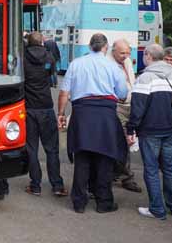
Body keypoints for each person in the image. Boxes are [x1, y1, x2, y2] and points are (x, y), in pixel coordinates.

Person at [57, 33, 128, 214]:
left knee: (82, 159)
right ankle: (104, 202)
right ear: (105, 48)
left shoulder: (75, 64)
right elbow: (122, 94)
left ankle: (79, 203)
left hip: (82, 113)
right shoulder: (113, 67)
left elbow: (64, 92)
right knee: (105, 159)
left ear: (89, 46)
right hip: (105, 115)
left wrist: (61, 114)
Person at [126, 44, 172, 219]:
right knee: (169, 168)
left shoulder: (145, 78)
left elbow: (137, 108)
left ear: (147, 56)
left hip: (150, 130)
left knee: (151, 169)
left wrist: (131, 129)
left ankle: (157, 209)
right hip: (169, 128)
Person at [24, 31, 67, 197]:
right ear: (42, 42)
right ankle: (57, 185)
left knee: (32, 149)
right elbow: (50, 75)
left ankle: (35, 185)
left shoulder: (23, 58)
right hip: (46, 106)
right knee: (52, 149)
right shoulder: (49, 58)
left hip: (29, 108)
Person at [107, 39, 142, 193]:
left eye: (128, 52)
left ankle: (117, 173)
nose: (126, 56)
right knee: (122, 141)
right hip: (116, 106)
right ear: (113, 50)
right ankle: (126, 177)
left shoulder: (126, 61)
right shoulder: (107, 63)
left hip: (129, 104)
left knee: (124, 141)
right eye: (122, 53)